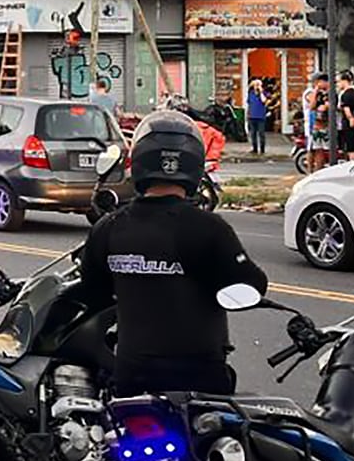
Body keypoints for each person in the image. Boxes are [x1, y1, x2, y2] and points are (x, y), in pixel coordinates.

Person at [81, 110, 268, 396]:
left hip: (133, 375)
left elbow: (93, 291)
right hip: (200, 379)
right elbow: (250, 285)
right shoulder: (209, 228)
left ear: (140, 160)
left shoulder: (109, 227)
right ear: (194, 163)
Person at [304, 73, 331, 172]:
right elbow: (312, 106)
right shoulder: (313, 92)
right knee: (315, 149)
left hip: (326, 125)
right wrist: (316, 91)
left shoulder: (328, 93)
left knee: (323, 150)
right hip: (315, 125)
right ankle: (312, 171)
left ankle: (318, 170)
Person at [336, 72, 354, 161]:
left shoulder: (345, 95)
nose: (338, 84)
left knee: (351, 147)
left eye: (339, 82)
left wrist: (351, 120)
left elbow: (347, 111)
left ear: (344, 81)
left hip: (349, 124)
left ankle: (353, 163)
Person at [246, 79, 268, 155]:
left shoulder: (263, 93)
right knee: (253, 134)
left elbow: (264, 101)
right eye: (255, 85)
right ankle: (254, 148)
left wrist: (261, 92)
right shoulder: (251, 93)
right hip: (252, 116)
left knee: (261, 133)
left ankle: (262, 149)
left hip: (261, 116)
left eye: (258, 85)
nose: (257, 87)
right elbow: (249, 104)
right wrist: (247, 114)